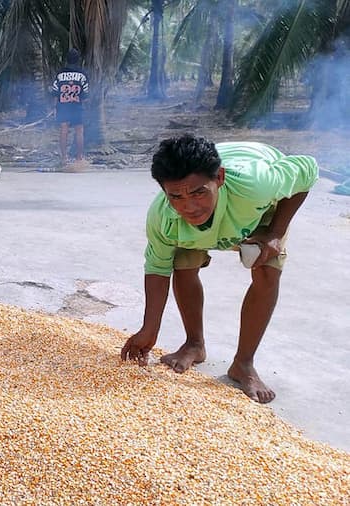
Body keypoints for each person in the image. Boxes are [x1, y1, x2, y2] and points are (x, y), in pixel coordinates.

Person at [120, 135, 318, 403]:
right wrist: (149, 329)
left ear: (219, 178)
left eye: (199, 192)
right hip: (211, 219)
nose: (189, 206)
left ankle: (243, 364)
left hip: (257, 211)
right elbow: (158, 267)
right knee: (182, 264)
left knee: (267, 271)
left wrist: (275, 232)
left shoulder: (256, 183)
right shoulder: (164, 217)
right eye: (176, 196)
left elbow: (307, 169)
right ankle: (194, 345)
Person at [50, 48, 89, 167]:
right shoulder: (82, 75)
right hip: (77, 107)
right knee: (79, 131)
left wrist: (53, 108)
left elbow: (55, 93)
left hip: (63, 107)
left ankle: (64, 158)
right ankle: (79, 158)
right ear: (78, 60)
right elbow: (85, 95)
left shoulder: (60, 74)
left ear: (66, 60)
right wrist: (85, 108)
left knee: (63, 130)